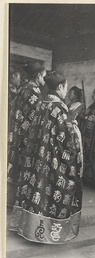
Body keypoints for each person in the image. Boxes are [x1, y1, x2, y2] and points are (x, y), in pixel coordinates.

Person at [8, 71, 83, 244]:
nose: (66, 92)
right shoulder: (60, 109)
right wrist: (75, 128)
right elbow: (69, 142)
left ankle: (29, 228)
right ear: (59, 88)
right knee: (52, 194)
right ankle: (47, 233)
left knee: (37, 193)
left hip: (37, 159)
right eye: (65, 87)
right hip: (53, 161)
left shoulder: (41, 105)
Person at [7, 61, 46, 210]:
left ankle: (11, 201)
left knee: (15, 165)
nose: (44, 80)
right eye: (43, 76)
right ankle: (20, 203)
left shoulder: (23, 88)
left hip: (17, 134)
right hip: (27, 137)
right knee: (25, 168)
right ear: (37, 76)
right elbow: (36, 117)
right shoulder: (34, 92)